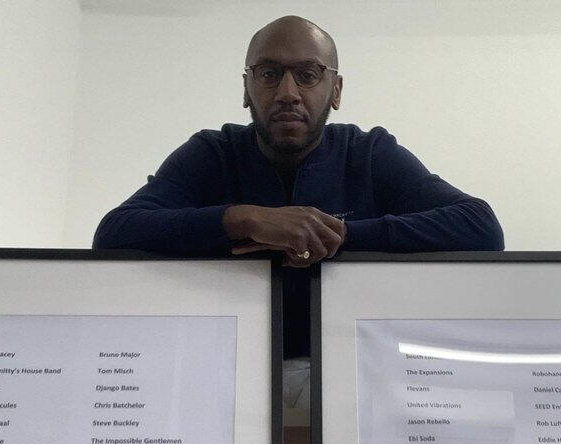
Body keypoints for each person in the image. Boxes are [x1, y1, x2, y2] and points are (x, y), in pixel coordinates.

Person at [93, 15, 504, 360]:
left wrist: (340, 235)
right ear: (246, 88)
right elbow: (114, 233)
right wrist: (243, 219)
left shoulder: (368, 152)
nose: (287, 93)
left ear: (335, 91)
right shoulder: (212, 153)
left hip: (350, 370)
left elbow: (481, 228)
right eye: (269, 74)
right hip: (227, 367)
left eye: (308, 75)